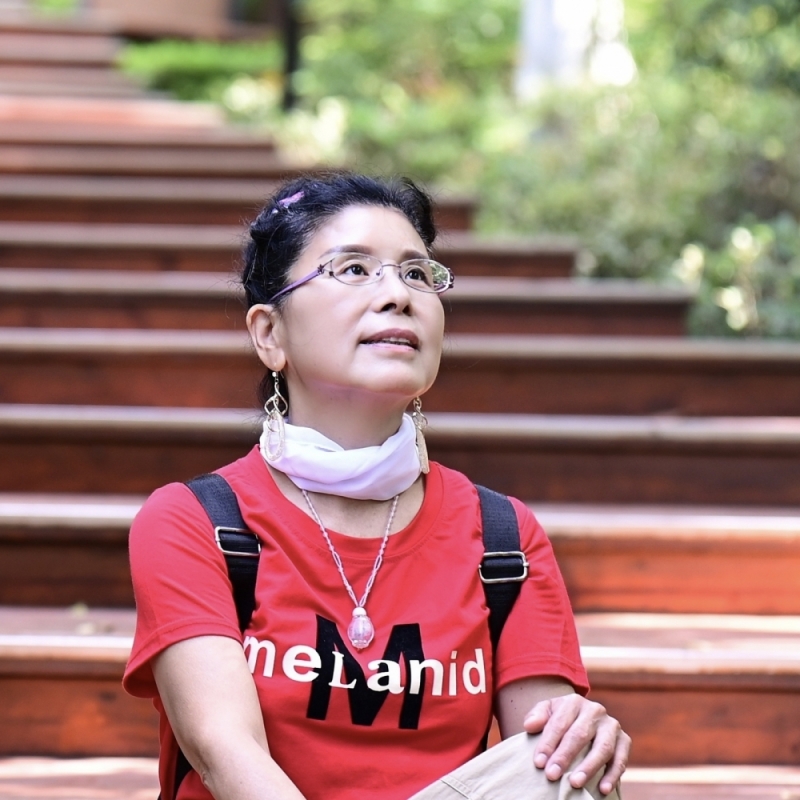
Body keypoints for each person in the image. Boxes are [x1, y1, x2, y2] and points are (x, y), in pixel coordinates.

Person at [123, 173, 630, 800]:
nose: (398, 294)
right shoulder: (195, 521)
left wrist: (579, 734)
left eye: (417, 274)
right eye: (354, 270)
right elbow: (223, 751)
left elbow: (543, 761)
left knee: (574, 769)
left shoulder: (502, 537)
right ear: (270, 333)